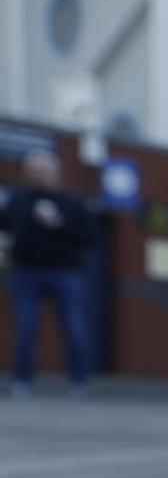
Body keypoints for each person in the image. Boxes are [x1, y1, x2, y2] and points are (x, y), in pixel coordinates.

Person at [1, 151, 97, 398]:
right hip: (26, 271)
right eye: (33, 170)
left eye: (43, 171)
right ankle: (22, 382)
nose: (38, 175)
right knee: (25, 327)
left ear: (56, 173)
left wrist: (60, 224)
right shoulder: (18, 199)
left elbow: (91, 236)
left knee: (74, 328)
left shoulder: (73, 203)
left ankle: (79, 383)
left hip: (66, 273)